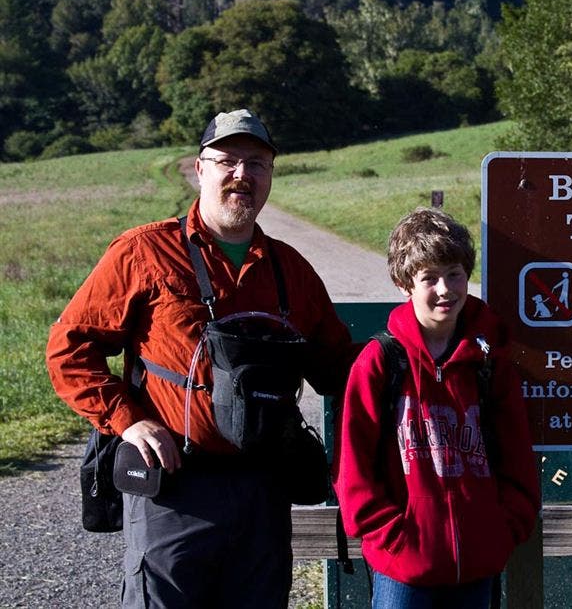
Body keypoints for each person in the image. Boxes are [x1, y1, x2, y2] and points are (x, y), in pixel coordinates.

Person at [46, 109, 356, 608]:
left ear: (270, 176)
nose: (242, 176)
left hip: (263, 493)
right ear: (199, 168)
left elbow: (338, 366)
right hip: (174, 489)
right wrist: (128, 422)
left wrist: (420, 345)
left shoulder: (290, 270)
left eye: (256, 163)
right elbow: (69, 347)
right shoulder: (143, 252)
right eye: (228, 161)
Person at [335, 207, 540, 608]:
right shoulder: (381, 361)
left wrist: (504, 528)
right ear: (403, 284)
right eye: (429, 278)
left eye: (454, 274)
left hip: (478, 564)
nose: (445, 289)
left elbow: (516, 455)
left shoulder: (488, 361)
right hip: (403, 570)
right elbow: (352, 468)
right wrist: (392, 538)